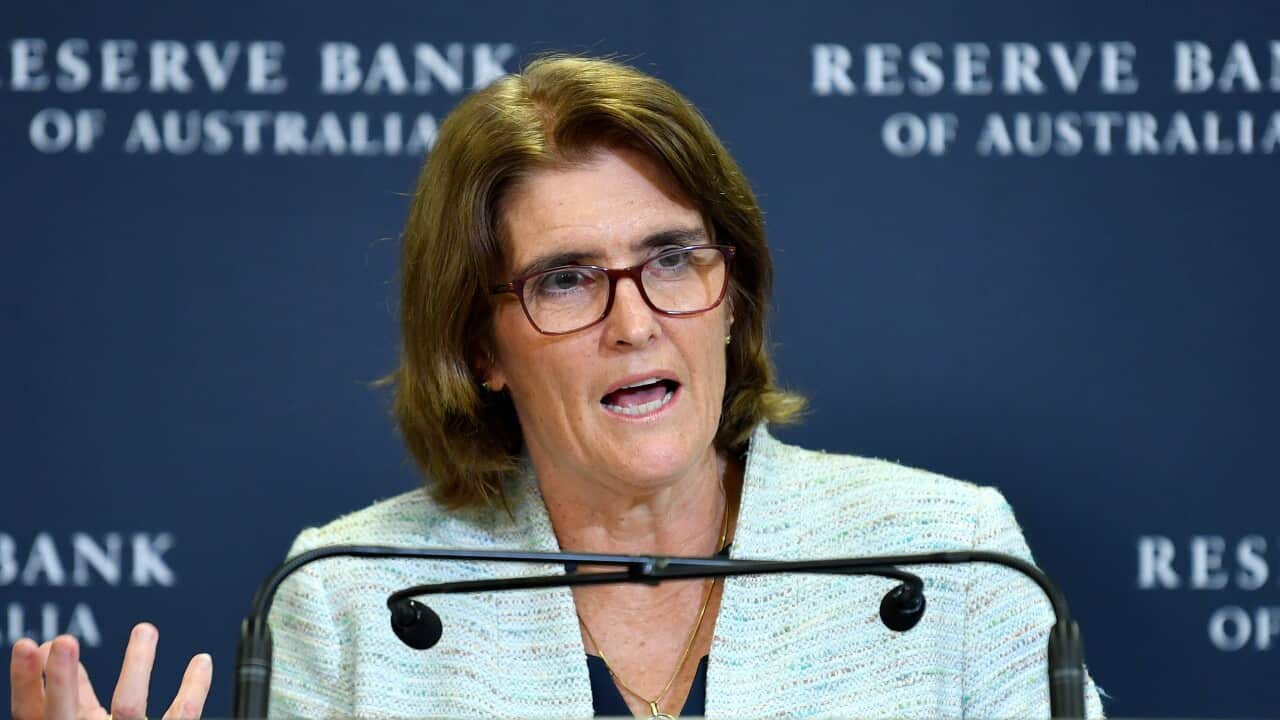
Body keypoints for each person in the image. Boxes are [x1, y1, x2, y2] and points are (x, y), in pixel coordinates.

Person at [10, 55, 1104, 720]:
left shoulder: (949, 556)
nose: (635, 322)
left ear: (731, 292)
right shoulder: (348, 598)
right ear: (480, 344)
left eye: (673, 259)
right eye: (566, 280)